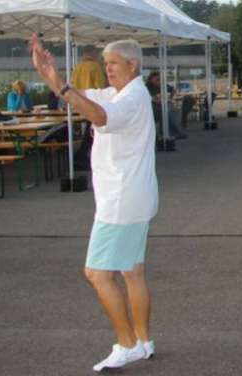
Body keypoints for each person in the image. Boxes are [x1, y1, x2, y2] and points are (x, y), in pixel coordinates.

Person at [30, 34, 158, 372]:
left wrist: (64, 87)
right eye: (106, 64)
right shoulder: (122, 93)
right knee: (132, 271)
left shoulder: (131, 98)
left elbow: (99, 116)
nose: (108, 69)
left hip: (122, 200)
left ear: (133, 65)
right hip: (132, 197)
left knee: (97, 274)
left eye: (113, 63)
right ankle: (143, 341)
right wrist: (52, 76)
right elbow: (84, 99)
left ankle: (127, 344)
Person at [145, 72, 187, 139]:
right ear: (151, 80)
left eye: (159, 80)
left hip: (162, 105)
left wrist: (170, 98)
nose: (159, 81)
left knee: (172, 110)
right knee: (166, 112)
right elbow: (152, 99)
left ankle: (171, 132)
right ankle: (173, 132)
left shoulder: (163, 85)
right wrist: (159, 100)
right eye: (157, 80)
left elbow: (173, 89)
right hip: (151, 109)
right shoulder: (147, 87)